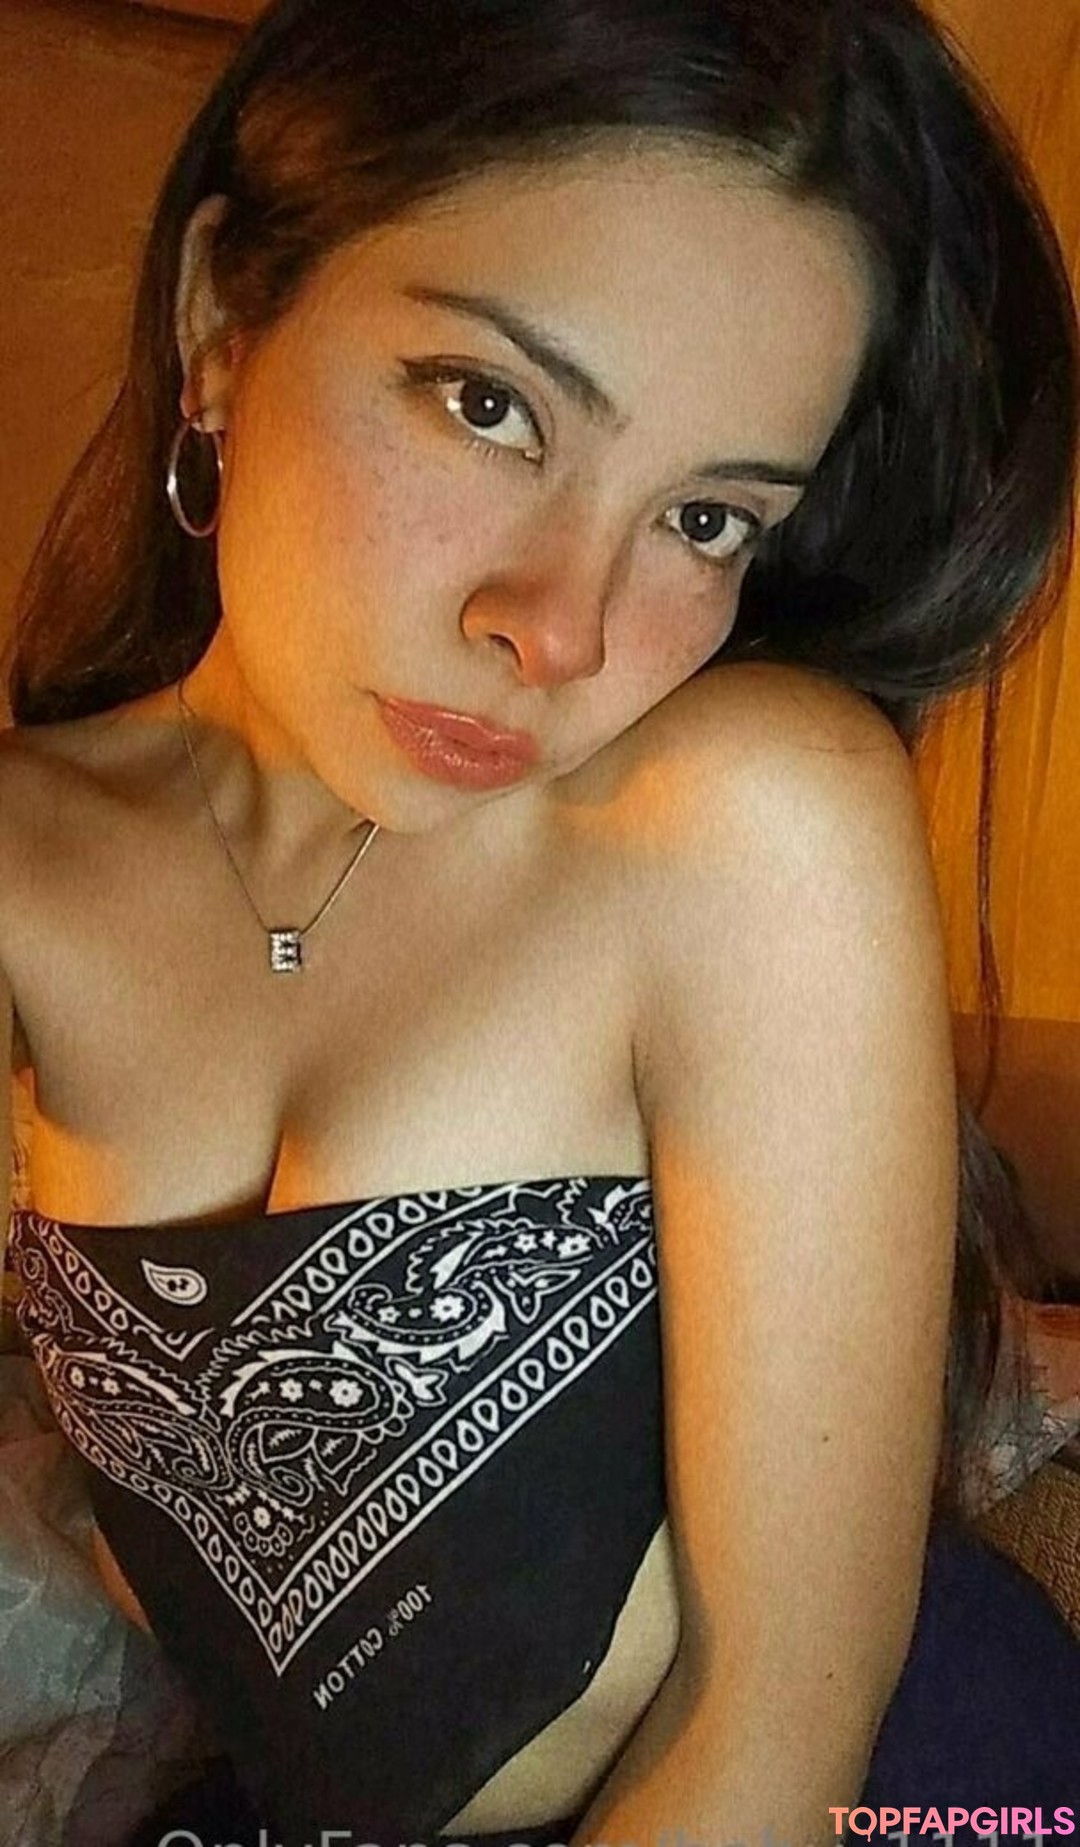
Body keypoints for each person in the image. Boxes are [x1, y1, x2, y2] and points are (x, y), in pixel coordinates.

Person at [2, 0, 1077, 1842]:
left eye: (709, 519)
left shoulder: (739, 813)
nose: (561, 628)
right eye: (489, 406)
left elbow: (779, 1715)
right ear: (219, 321)